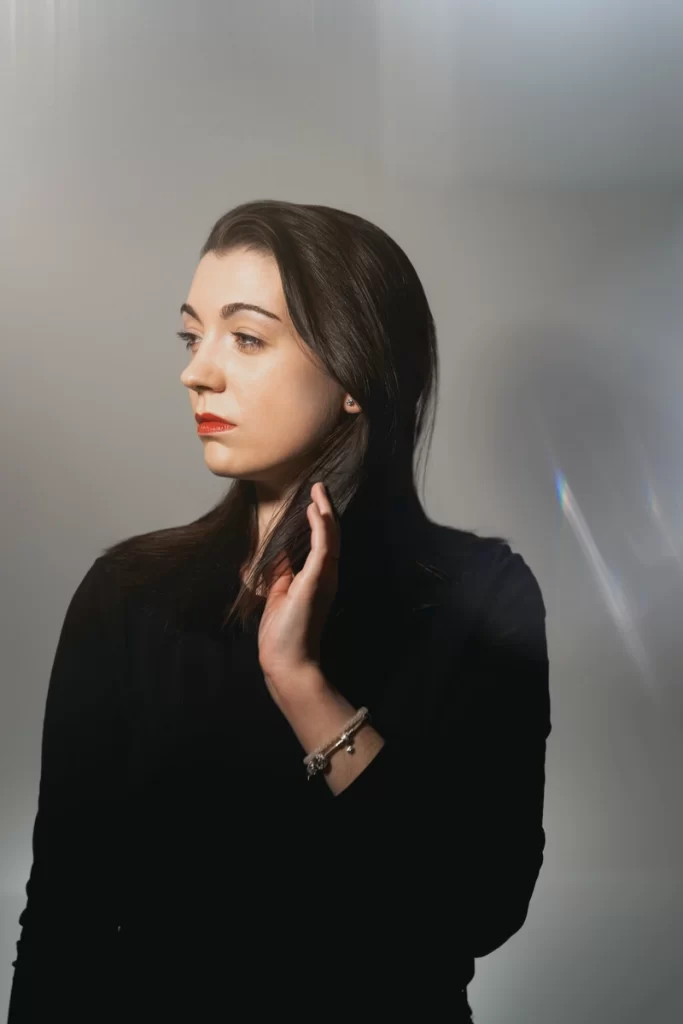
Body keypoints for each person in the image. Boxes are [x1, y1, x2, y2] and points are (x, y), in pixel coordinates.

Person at [7, 200, 551, 1023]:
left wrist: (299, 682)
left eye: (246, 338)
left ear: (355, 374)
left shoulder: (479, 596)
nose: (197, 373)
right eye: (192, 337)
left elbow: (476, 907)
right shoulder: (128, 595)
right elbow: (63, 919)